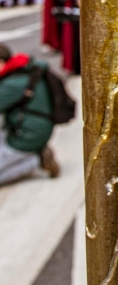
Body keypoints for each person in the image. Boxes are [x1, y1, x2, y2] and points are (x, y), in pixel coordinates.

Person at [0, 45, 61, 185]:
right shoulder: (19, 71)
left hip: (27, 136)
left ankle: (37, 159)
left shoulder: (12, 84)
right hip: (26, 127)